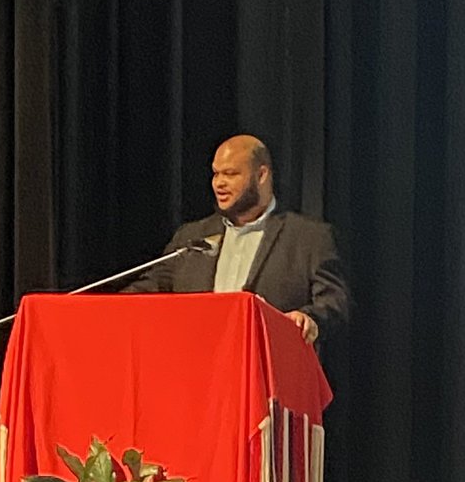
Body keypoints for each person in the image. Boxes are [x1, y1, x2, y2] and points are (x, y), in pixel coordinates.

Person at [125, 134, 348, 344]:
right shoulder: (192, 237)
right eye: (215, 173)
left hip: (268, 370)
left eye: (230, 174)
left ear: (261, 175)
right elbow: (150, 288)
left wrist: (307, 319)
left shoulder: (307, 237)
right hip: (199, 369)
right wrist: (102, 306)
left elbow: (334, 302)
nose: (219, 183)